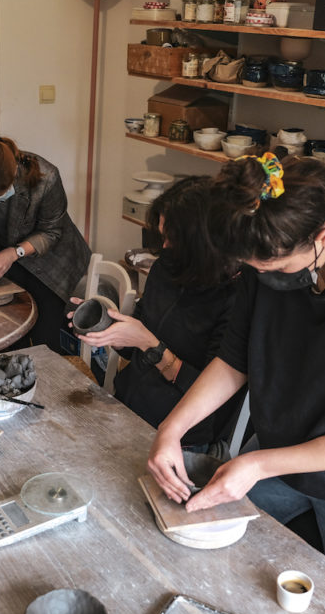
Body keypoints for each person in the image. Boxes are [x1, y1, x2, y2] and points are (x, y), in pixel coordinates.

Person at [147, 154, 325, 609]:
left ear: (323, 238)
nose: (264, 278)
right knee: (195, 549)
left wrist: (259, 465)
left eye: (277, 269)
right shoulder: (269, 240)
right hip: (282, 455)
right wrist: (172, 429)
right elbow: (234, 357)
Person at [75, 177, 243, 455]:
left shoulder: (235, 298)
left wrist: (149, 345)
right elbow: (135, 344)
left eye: (173, 239)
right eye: (164, 235)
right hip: (128, 404)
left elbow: (209, 392)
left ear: (205, 241)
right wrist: (112, 331)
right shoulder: (168, 266)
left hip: (182, 436)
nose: (164, 247)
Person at [0, 135, 92, 352]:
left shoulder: (46, 178)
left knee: (47, 341)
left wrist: (15, 252)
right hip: (0, 256)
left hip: (51, 264)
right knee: (6, 332)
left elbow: (51, 231)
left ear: (13, 176)